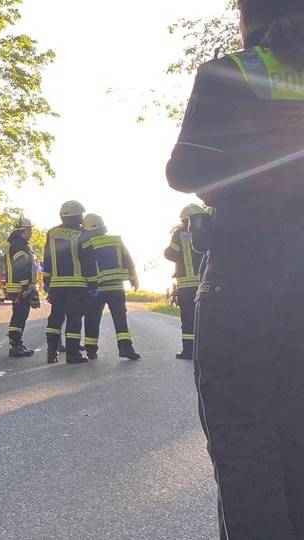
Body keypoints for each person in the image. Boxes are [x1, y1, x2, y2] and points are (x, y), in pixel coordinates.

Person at [166, 0, 304, 537]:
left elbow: (186, 170)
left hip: (252, 269)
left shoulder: (236, 72)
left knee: (243, 436)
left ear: (250, 15)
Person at [81, 214, 142, 360]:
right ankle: (126, 348)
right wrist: (134, 279)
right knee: (120, 318)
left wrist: (88, 286)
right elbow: (128, 259)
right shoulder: (116, 240)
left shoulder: (87, 244)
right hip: (116, 287)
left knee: (92, 319)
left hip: (96, 288)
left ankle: (90, 350)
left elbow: (85, 266)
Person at [42, 201, 96, 364]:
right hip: (77, 285)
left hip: (57, 285)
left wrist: (47, 281)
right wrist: (93, 284)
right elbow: (89, 262)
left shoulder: (52, 233)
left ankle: (52, 351)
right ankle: (73, 354)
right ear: (77, 215)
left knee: (55, 317)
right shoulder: (84, 234)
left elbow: (47, 258)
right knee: (74, 318)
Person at [165, 204, 207, 360]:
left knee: (188, 318)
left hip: (185, 285)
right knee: (206, 317)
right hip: (205, 283)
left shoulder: (179, 234)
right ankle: (205, 350)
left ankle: (188, 351)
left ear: (184, 219)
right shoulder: (208, 232)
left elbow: (170, 253)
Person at [4, 217, 39, 357]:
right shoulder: (19, 246)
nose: (31, 232)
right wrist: (26, 288)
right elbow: (21, 267)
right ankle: (15, 345)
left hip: (18, 288)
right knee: (19, 316)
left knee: (19, 316)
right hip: (20, 288)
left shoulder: (18, 244)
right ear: (23, 230)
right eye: (30, 229)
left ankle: (16, 344)